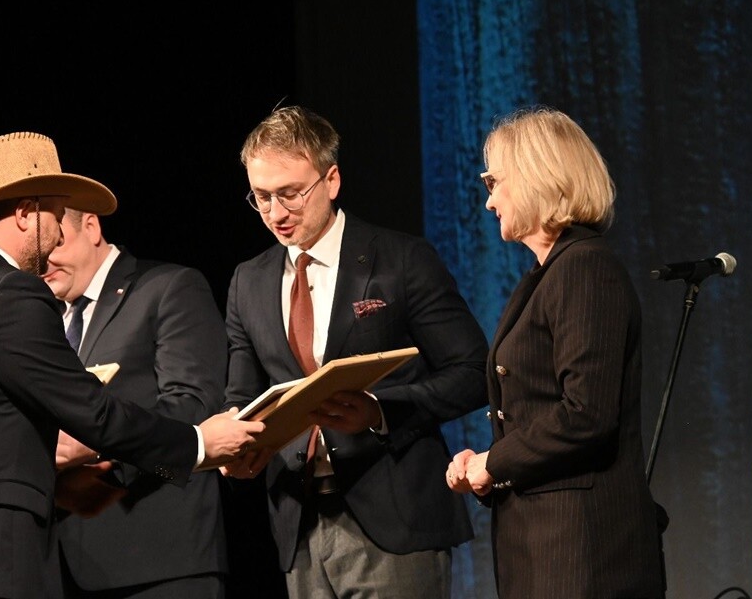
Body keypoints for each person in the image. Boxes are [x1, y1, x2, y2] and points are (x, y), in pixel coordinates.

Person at [0, 131, 263, 599]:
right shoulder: (7, 291)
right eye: (57, 217)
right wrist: (198, 444)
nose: (59, 234)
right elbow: (93, 412)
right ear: (26, 212)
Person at [220, 106, 489, 599]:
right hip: (299, 525)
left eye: (290, 193)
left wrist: (379, 411)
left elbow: (473, 371)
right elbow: (241, 393)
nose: (275, 213)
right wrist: (234, 440)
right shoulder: (248, 281)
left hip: (394, 520)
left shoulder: (402, 260)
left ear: (332, 180)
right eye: (261, 197)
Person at [446, 107, 665, 598]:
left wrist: (495, 461)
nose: (489, 201)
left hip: (584, 552)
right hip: (545, 544)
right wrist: (487, 466)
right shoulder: (549, 273)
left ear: (536, 177)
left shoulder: (584, 268)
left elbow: (586, 414)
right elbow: (537, 411)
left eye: (494, 182)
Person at [41, 206, 230, 599]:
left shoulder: (168, 287)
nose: (44, 262)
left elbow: (193, 407)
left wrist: (97, 444)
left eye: (55, 243)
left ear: (91, 226)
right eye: (35, 253)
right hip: (59, 569)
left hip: (159, 561)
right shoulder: (41, 322)